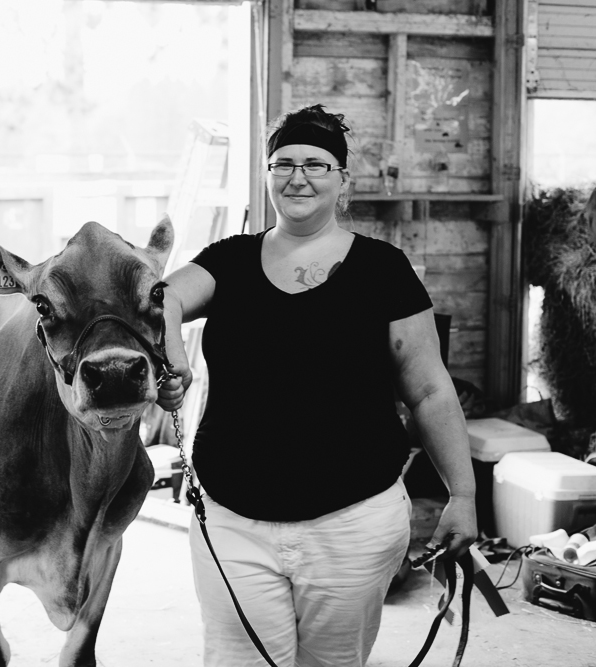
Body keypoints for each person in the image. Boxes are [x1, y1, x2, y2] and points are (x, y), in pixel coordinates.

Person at [156, 104, 477, 667]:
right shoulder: (229, 261)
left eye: (316, 164)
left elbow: (429, 390)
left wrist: (464, 494)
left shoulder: (383, 270)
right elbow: (161, 297)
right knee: (239, 660)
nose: (297, 176)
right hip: (234, 522)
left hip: (353, 521)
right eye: (283, 163)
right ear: (268, 174)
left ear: (343, 181)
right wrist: (175, 353)